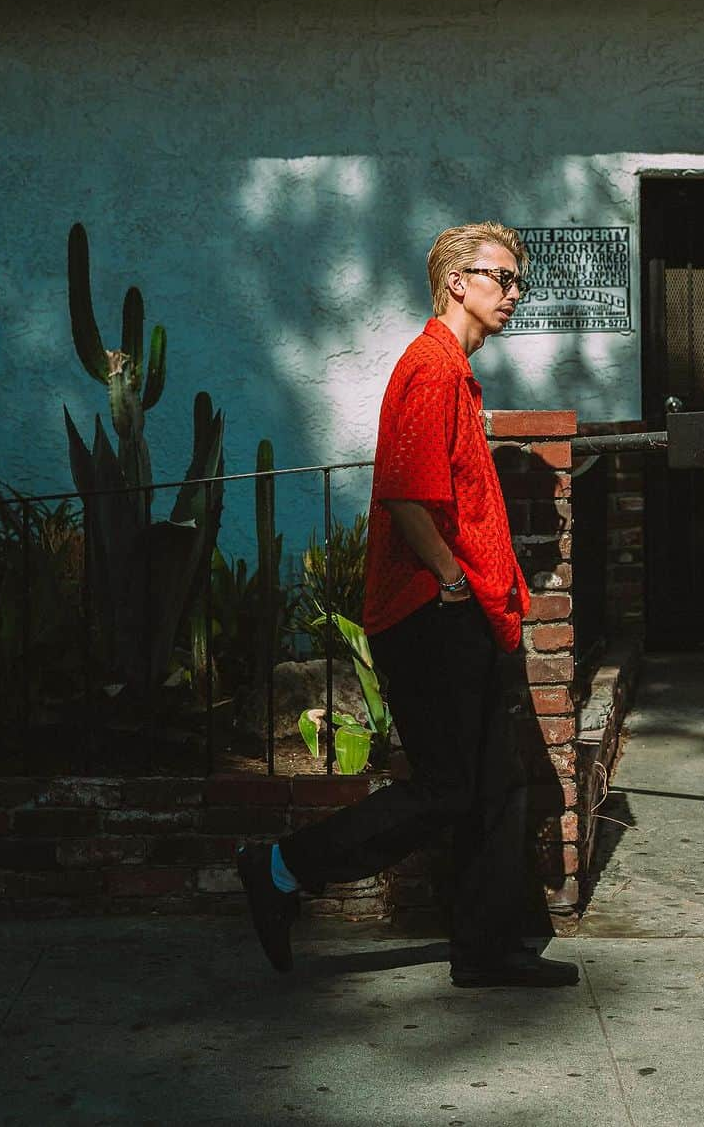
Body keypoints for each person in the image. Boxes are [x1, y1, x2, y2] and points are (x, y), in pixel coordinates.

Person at [237, 221, 579, 989]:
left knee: (497, 787)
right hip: (432, 616)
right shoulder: (431, 367)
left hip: (467, 613)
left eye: (519, 281)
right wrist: (451, 579)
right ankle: (282, 869)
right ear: (458, 281)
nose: (515, 293)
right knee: (448, 789)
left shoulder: (453, 370)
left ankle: (487, 951)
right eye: (502, 278)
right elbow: (404, 493)